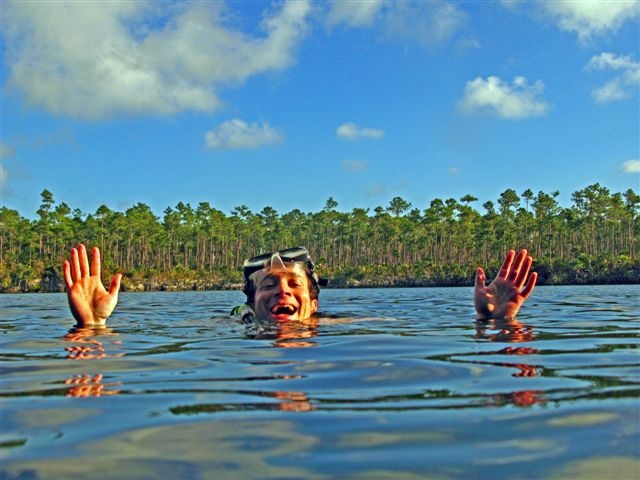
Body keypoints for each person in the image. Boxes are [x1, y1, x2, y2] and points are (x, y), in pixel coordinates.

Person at [63, 244, 537, 327]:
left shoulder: (344, 324)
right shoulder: (230, 331)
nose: (282, 292)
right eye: (269, 285)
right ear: (251, 303)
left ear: (312, 302)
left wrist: (497, 324)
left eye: (292, 284)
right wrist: (92, 330)